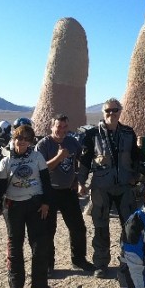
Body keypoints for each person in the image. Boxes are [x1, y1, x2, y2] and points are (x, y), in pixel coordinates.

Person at [78, 97, 141, 278]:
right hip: (100, 187)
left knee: (129, 226)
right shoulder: (92, 135)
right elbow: (84, 161)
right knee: (100, 226)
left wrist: (135, 178)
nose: (111, 114)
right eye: (108, 111)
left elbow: (137, 158)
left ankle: (128, 262)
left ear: (120, 112)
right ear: (103, 113)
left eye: (115, 110)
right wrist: (81, 182)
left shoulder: (129, 133)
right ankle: (101, 264)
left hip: (124, 187)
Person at [0, 123, 54, 288]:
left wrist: (46, 203)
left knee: (39, 244)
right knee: (14, 245)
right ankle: (16, 286)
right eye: (18, 138)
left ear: (31, 141)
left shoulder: (37, 158)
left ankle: (39, 283)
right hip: (13, 206)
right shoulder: (5, 161)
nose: (21, 142)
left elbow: (46, 182)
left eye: (26, 139)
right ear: (13, 140)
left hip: (35, 204)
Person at [35, 114, 94, 276]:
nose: (61, 130)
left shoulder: (72, 142)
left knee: (78, 228)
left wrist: (77, 179)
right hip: (49, 192)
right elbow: (41, 169)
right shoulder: (43, 145)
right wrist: (59, 157)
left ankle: (79, 260)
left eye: (64, 127)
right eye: (58, 127)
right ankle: (48, 264)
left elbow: (78, 162)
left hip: (68, 191)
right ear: (51, 126)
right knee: (48, 230)